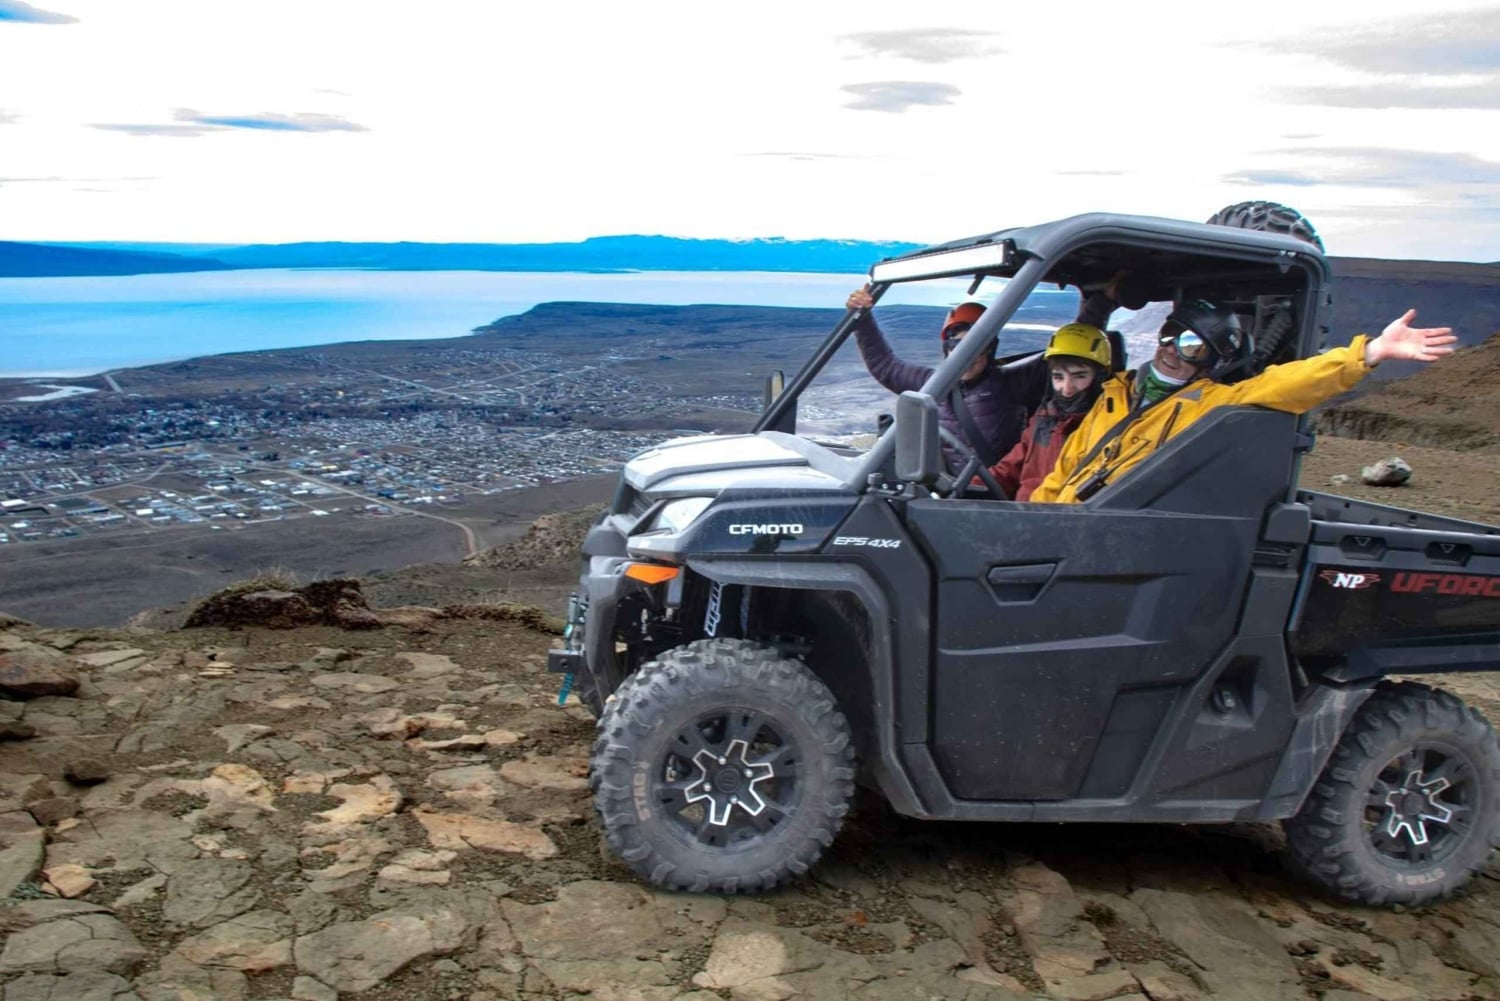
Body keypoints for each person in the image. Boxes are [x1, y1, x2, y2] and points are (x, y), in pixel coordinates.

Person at [1030, 301, 1455, 504]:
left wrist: (1368, 353)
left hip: (1109, 532)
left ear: (1210, 360)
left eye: (1193, 345)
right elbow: (1068, 466)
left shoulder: (1213, 402)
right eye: (1172, 336)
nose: (1174, 350)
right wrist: (1032, 519)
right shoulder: (1115, 395)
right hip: (1063, 525)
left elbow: (1287, 383)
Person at [846, 285, 1046, 465]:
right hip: (947, 497)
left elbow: (1061, 360)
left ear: (990, 351)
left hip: (996, 495)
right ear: (946, 349)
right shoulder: (931, 383)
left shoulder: (1012, 382)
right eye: (957, 347)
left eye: (977, 348)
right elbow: (884, 366)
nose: (968, 357)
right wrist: (863, 320)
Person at [984, 322, 1112, 500]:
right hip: (1023, 514)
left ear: (1099, 377)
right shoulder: (1044, 418)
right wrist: (967, 489)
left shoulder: (1106, 425)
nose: (1067, 389)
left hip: (1055, 518)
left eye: (1080, 376)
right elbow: (1008, 470)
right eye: (1058, 377)